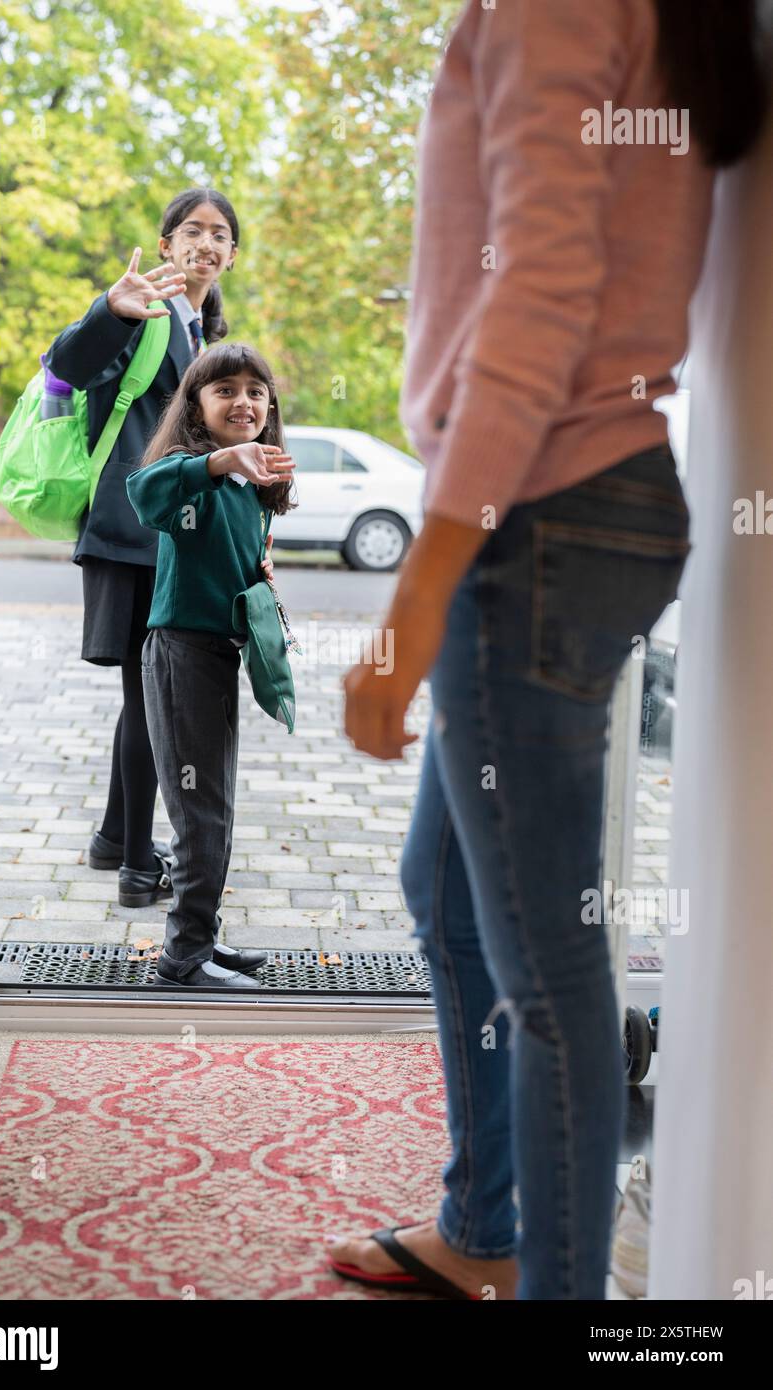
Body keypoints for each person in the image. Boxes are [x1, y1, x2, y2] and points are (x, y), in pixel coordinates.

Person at [335, 0, 768, 1299]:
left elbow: (539, 291)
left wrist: (416, 601)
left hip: (539, 511)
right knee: (450, 887)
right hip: (585, 498)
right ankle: (483, 1226)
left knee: (546, 969)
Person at [45, 188, 241, 913]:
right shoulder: (146, 311)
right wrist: (109, 308)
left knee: (144, 692)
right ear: (166, 244)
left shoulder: (201, 329)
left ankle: (111, 838)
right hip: (131, 535)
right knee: (149, 696)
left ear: (231, 255)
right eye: (192, 229)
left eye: (220, 234)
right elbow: (67, 361)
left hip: (160, 534)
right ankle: (135, 866)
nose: (206, 242)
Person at [126, 344, 296, 990]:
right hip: (181, 658)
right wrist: (221, 460)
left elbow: (232, 555)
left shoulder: (247, 489)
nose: (244, 402)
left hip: (218, 658)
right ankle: (182, 961)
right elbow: (143, 494)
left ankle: (203, 936)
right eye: (225, 389)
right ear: (196, 407)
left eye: (257, 391)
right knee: (199, 815)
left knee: (216, 811)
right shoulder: (187, 472)